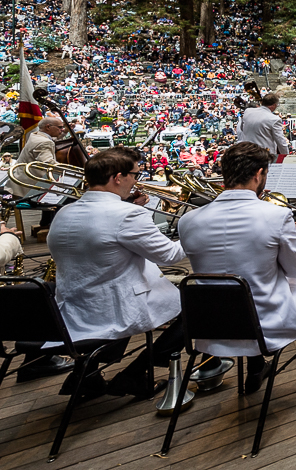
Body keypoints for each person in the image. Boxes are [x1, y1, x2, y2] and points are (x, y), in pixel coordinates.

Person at [178, 142, 296, 395]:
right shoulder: (276, 216)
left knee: (241, 285)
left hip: (212, 326)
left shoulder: (188, 221)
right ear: (258, 174)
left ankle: (257, 367)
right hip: (266, 323)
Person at [44, 147, 189, 399]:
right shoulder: (128, 214)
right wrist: (198, 230)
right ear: (118, 177)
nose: (136, 181)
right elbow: (169, 255)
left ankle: (85, 373)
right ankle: (133, 374)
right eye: (135, 175)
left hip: (72, 308)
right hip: (115, 307)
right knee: (195, 308)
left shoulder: (64, 212)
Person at [9, 115, 66, 239]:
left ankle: (45, 223)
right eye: (60, 127)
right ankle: (57, 230)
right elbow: (48, 164)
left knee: (55, 190)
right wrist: (67, 169)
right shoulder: (44, 142)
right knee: (69, 198)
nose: (62, 130)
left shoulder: (35, 135)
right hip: (27, 191)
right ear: (48, 127)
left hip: (20, 185)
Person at [236, 92, 288, 159]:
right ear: (274, 105)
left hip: (246, 152)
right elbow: (281, 141)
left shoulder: (248, 111)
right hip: (263, 155)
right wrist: (286, 156)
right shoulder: (274, 119)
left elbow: (242, 128)